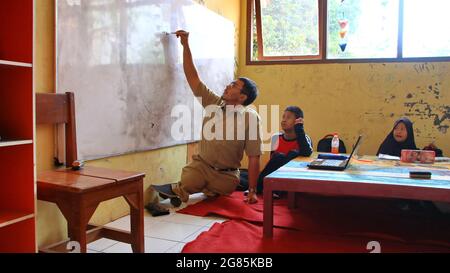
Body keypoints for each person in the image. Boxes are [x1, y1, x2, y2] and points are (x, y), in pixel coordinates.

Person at [151, 30, 262, 206]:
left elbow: (254, 157)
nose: (228, 85)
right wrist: (185, 45)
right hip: (201, 168)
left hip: (226, 176)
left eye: (234, 85)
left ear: (242, 97)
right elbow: (193, 78)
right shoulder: (214, 102)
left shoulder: (250, 118)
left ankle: (193, 190)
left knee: (222, 189)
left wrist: (253, 191)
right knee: (189, 179)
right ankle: (185, 189)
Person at [255, 106, 313, 195]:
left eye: (288, 117)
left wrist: (299, 129)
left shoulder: (304, 138)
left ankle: (279, 190)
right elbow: (272, 163)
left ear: (297, 121)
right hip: (275, 177)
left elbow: (307, 154)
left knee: (293, 154)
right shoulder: (276, 138)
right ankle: (257, 187)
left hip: (294, 178)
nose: (284, 120)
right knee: (279, 156)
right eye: (283, 117)